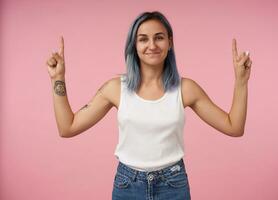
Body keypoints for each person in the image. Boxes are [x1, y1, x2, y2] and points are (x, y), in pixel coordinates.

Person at [46, 11, 252, 200]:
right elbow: (68, 127)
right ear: (134, 45)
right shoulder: (115, 88)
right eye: (143, 39)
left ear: (170, 42)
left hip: (173, 184)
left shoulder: (186, 89)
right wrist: (58, 78)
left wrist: (241, 82)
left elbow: (233, 127)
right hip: (128, 186)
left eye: (159, 37)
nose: (152, 45)